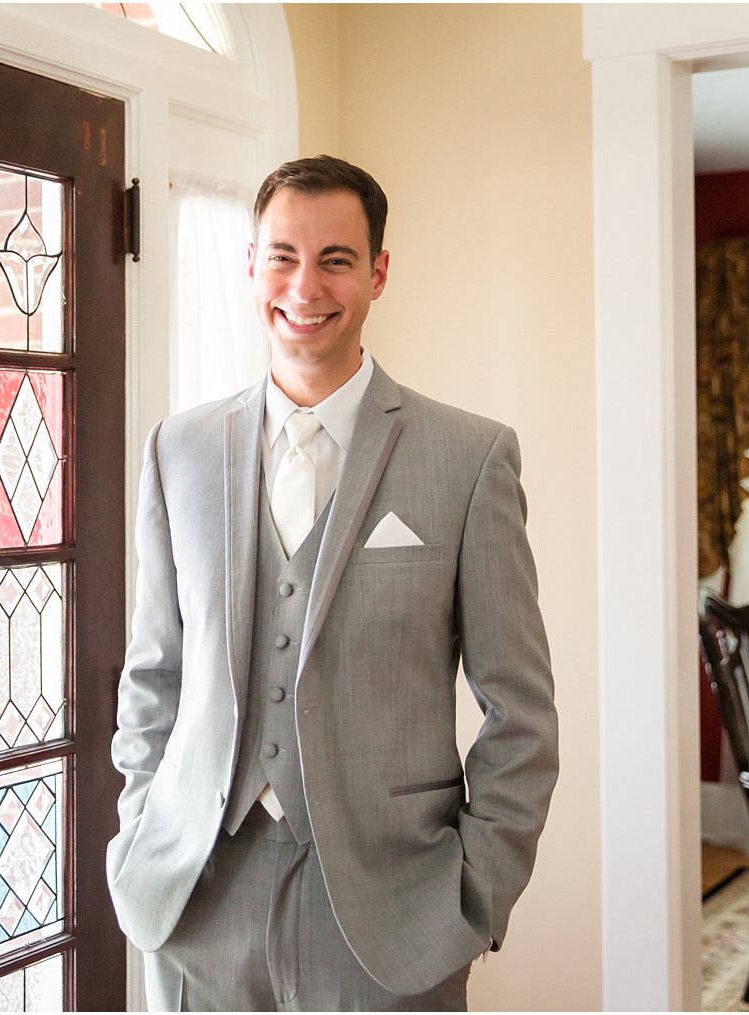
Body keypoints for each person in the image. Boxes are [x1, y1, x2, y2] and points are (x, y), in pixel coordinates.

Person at [106, 156, 560, 1012]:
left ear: (379, 272)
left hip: (392, 915)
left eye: (337, 259)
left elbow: (521, 713)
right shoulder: (178, 451)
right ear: (250, 265)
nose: (304, 285)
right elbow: (154, 678)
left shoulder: (468, 458)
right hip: (195, 900)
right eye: (281, 255)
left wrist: (476, 894)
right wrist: (139, 837)